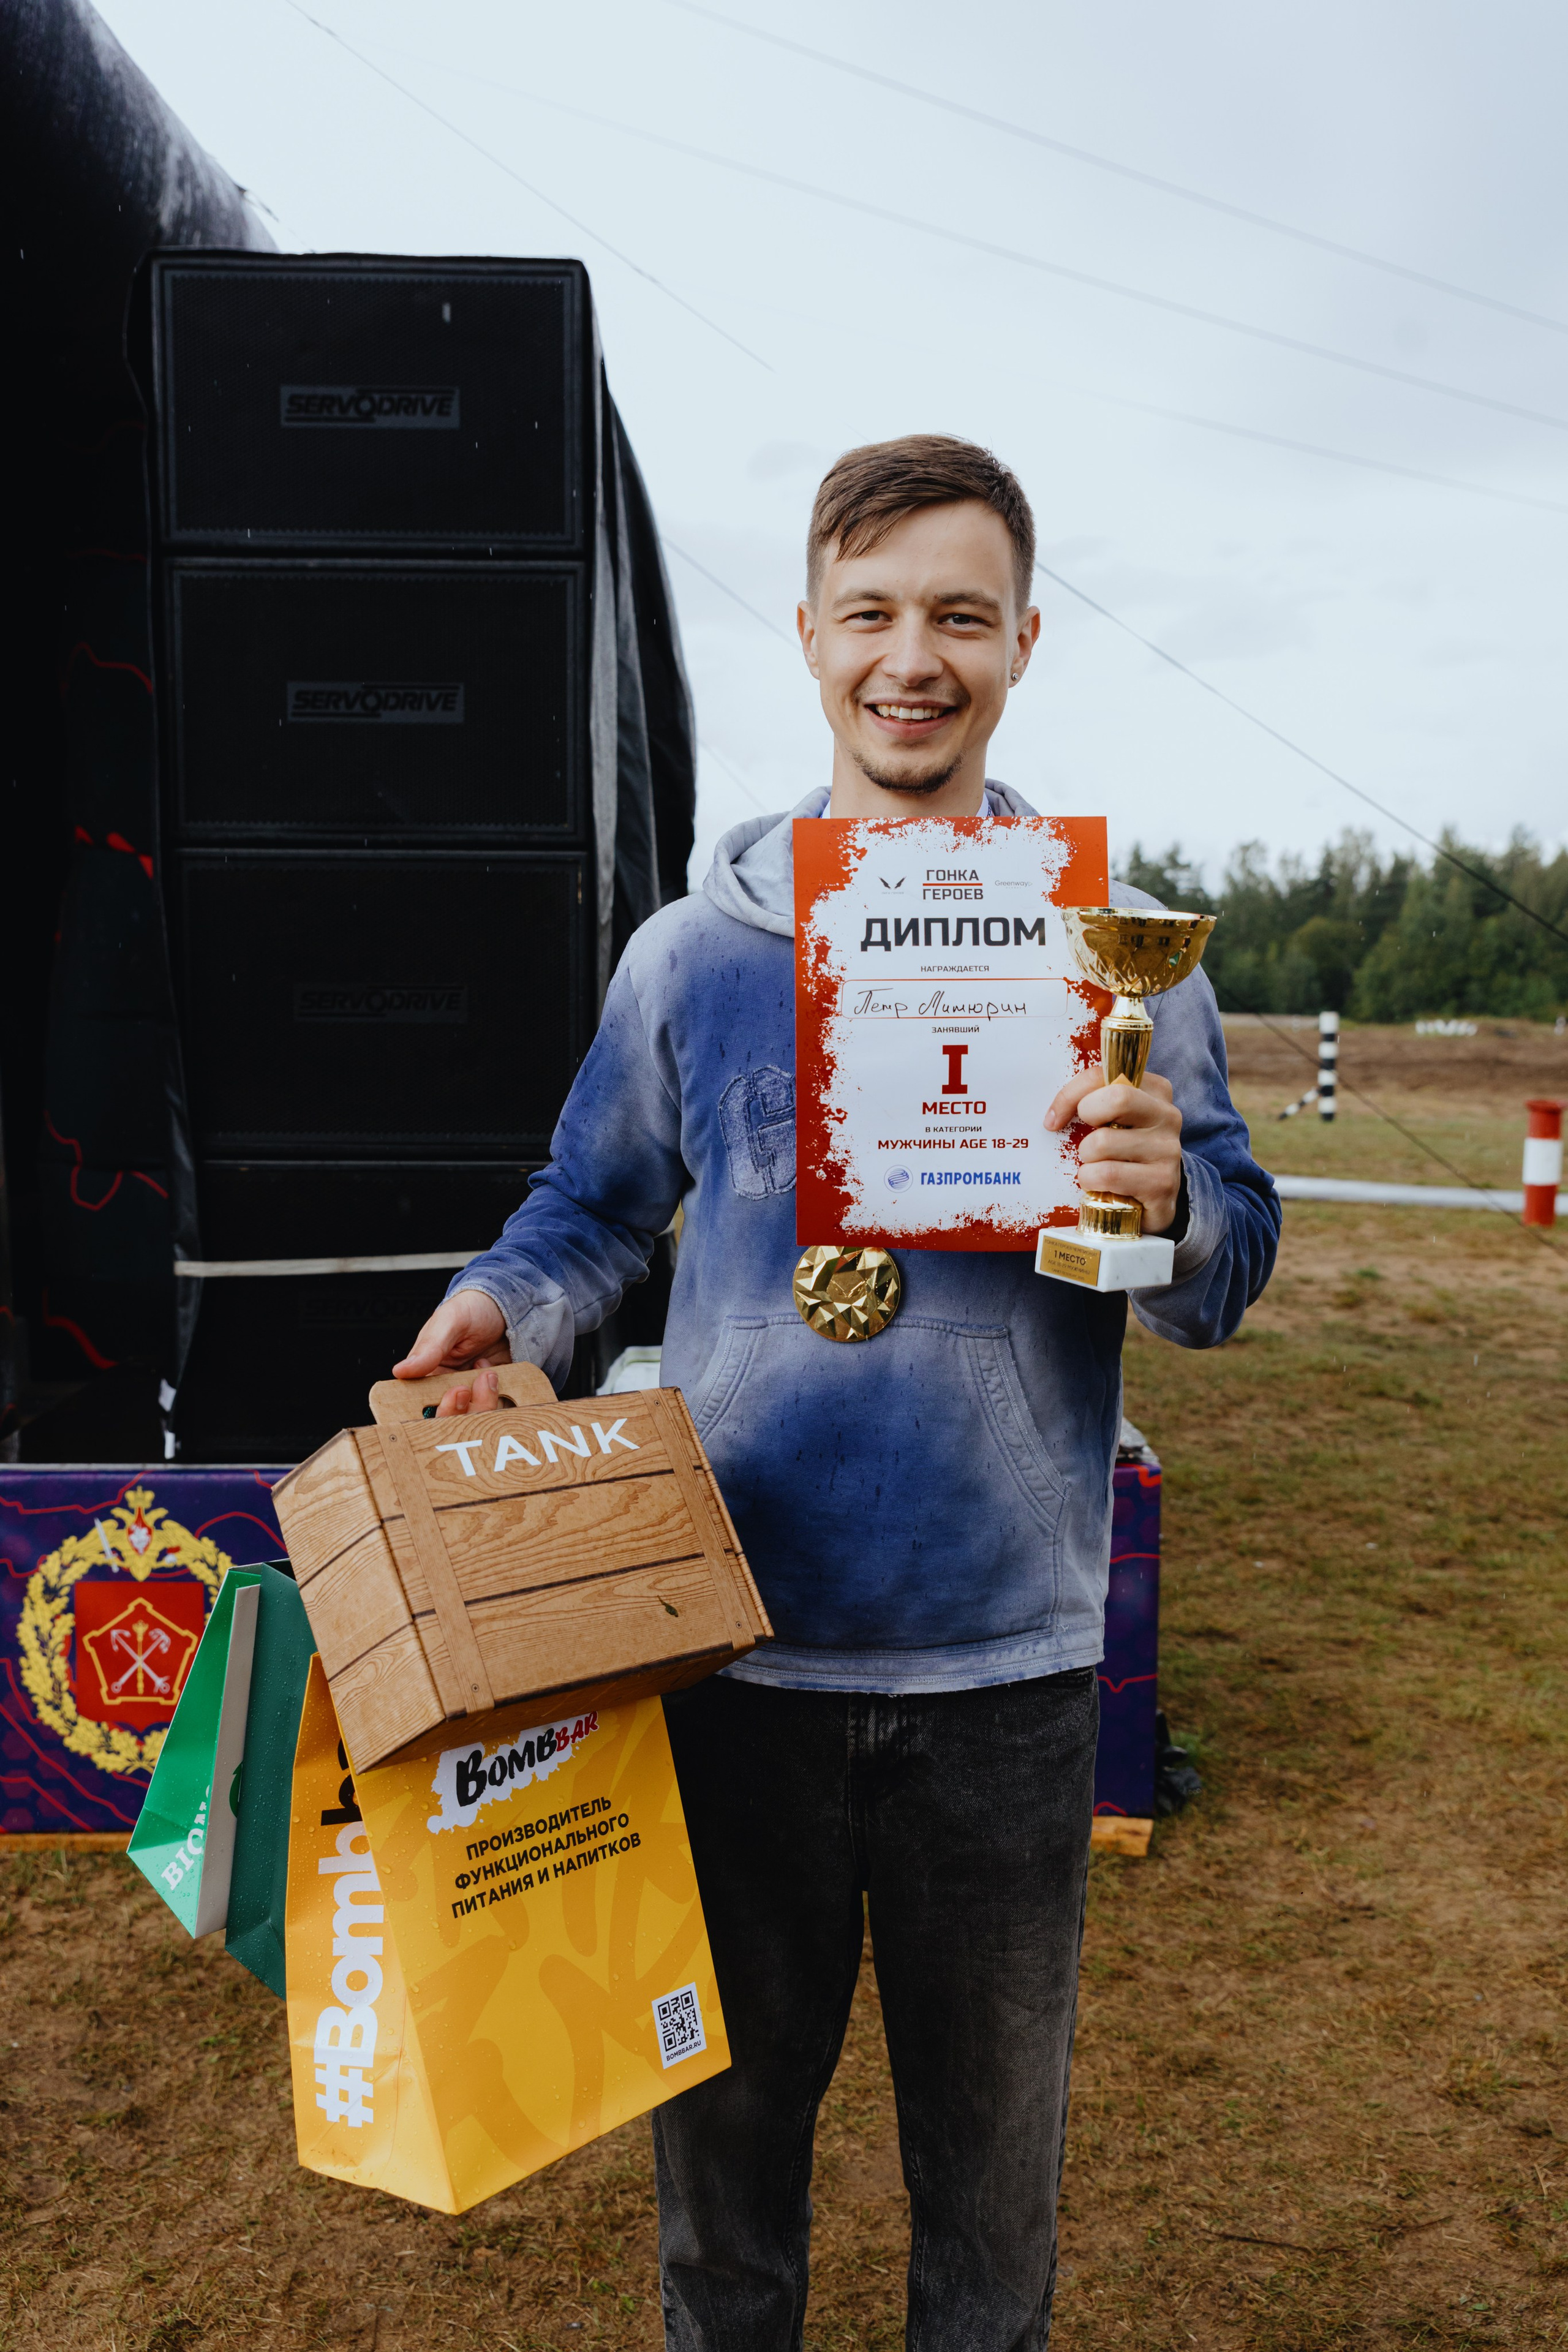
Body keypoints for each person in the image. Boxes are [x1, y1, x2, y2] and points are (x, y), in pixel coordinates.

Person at [396, 435, 1280, 2349]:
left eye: (962, 615)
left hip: (1008, 1683)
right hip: (732, 1663)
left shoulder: (1123, 959)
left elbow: (1230, 1274)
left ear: (1025, 641)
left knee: (990, 2244)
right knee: (724, 2227)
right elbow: (588, 1213)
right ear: (807, 638)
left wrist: (1176, 1205)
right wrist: (504, 1310)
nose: (915, 656)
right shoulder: (695, 955)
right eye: (872, 613)